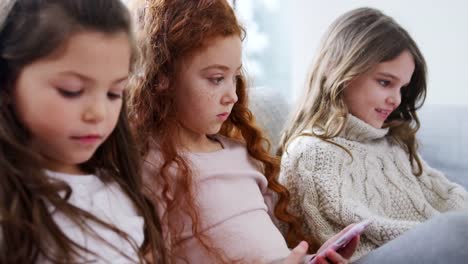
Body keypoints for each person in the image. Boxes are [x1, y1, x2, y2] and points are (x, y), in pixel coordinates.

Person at [128, 0, 359, 263]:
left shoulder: (241, 155)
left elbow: (273, 254)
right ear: (162, 77)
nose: (233, 96)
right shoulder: (150, 169)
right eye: (216, 79)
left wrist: (314, 259)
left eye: (234, 78)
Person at [278, 7, 468, 261]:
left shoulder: (390, 142)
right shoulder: (310, 154)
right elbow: (350, 244)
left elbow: (448, 197)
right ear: (339, 69)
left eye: (402, 88)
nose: (396, 99)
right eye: (385, 82)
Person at [0, 0, 166, 263]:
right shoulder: (10, 209)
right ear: (8, 83)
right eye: (71, 90)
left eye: (114, 93)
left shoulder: (121, 190)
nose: (98, 113)